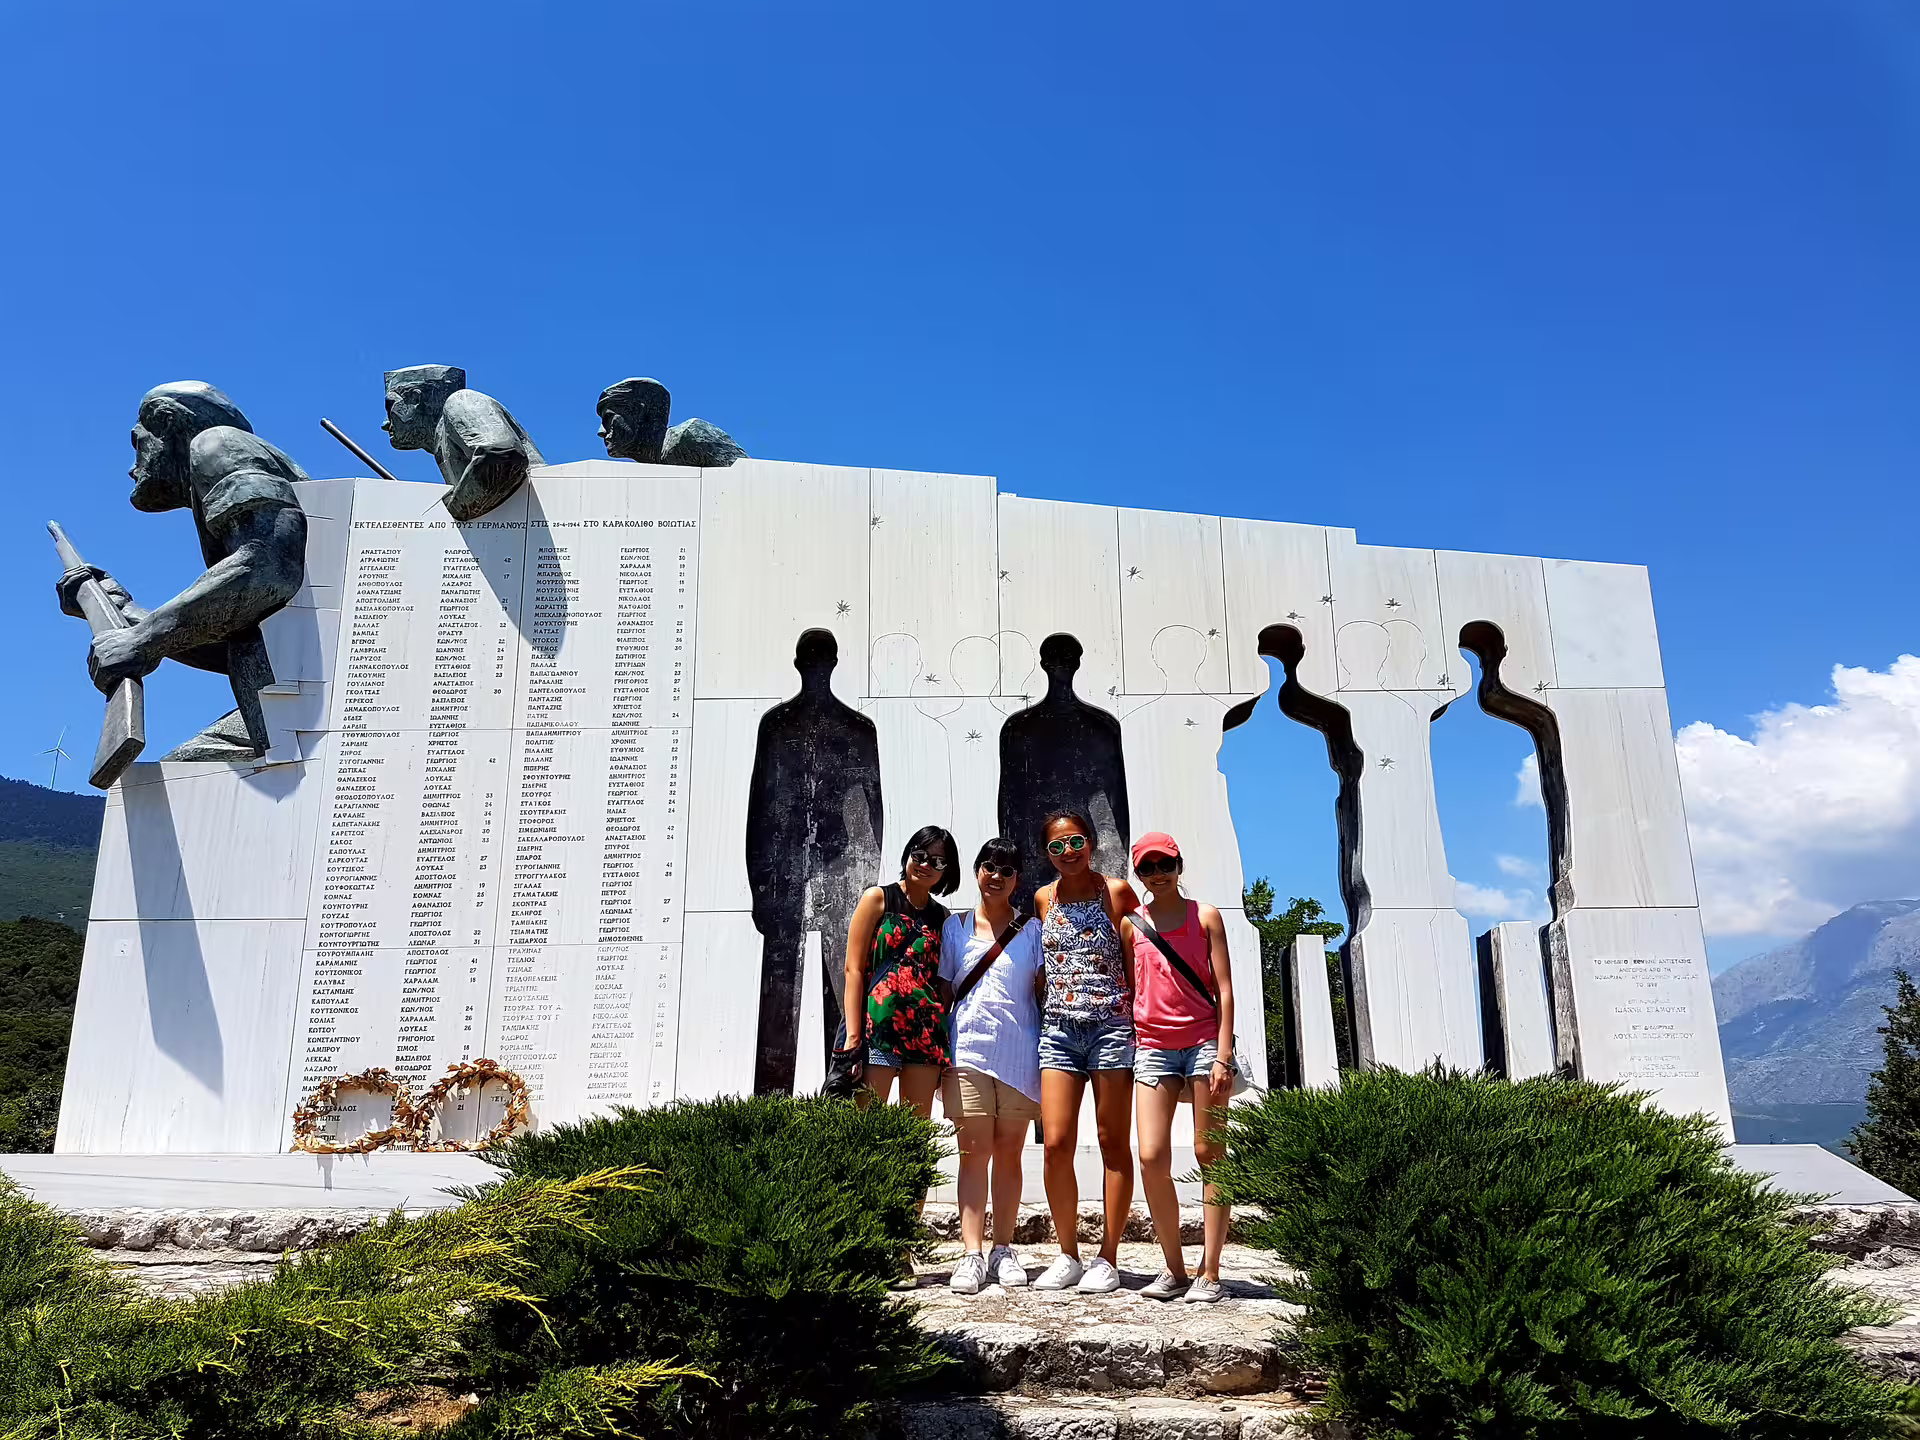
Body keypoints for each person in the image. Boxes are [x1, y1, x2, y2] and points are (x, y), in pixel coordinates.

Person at [1031, 809, 1139, 1293]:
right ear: (1046, 853)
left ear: (1091, 843)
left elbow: (1138, 960)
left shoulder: (1115, 892)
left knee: (1113, 1141)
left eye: (1074, 842)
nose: (1067, 852)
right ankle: (1068, 1252)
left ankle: (1108, 1256)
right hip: (1058, 1030)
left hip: (1111, 1027)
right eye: (1056, 846)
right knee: (1056, 1143)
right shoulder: (1042, 899)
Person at [1128, 832, 1238, 1304]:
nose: (1158, 874)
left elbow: (1226, 988)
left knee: (1209, 1152)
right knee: (1151, 1155)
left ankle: (1210, 1270)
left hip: (1201, 1042)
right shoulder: (1131, 924)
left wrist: (1223, 1053)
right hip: (1152, 1044)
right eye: (1148, 867)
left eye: (1164, 864)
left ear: (1179, 864)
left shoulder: (1205, 916)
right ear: (1139, 874)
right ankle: (1174, 1267)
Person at [938, 838, 1044, 1295]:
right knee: (973, 1154)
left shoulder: (1033, 931)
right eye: (987, 867)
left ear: (1017, 879)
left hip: (1020, 1055)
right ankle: (971, 1253)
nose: (995, 876)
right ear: (977, 872)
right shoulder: (955, 928)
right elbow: (943, 993)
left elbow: (1043, 989)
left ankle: (1003, 1248)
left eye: (1005, 869)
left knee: (1009, 1155)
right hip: (968, 1054)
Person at [836, 825, 962, 1115]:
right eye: (920, 855)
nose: (926, 865)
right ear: (908, 855)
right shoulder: (877, 899)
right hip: (877, 1026)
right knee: (866, 1124)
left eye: (938, 861)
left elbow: (942, 980)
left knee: (914, 1129)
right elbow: (853, 969)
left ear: (947, 870)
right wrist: (853, 1039)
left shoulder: (943, 917)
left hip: (924, 1030)